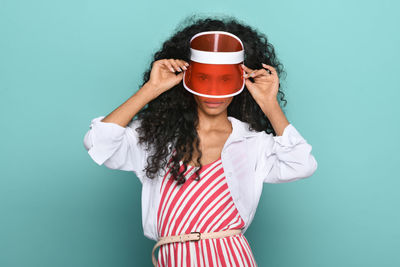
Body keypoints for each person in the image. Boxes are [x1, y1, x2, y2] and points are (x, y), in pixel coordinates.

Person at [83, 15, 318, 267]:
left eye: (225, 79)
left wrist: (269, 104)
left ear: (242, 79)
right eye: (204, 77)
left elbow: (302, 163)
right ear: (188, 76)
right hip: (172, 257)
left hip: (231, 257)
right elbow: (99, 141)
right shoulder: (157, 138)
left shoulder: (252, 143)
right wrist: (152, 88)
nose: (213, 93)